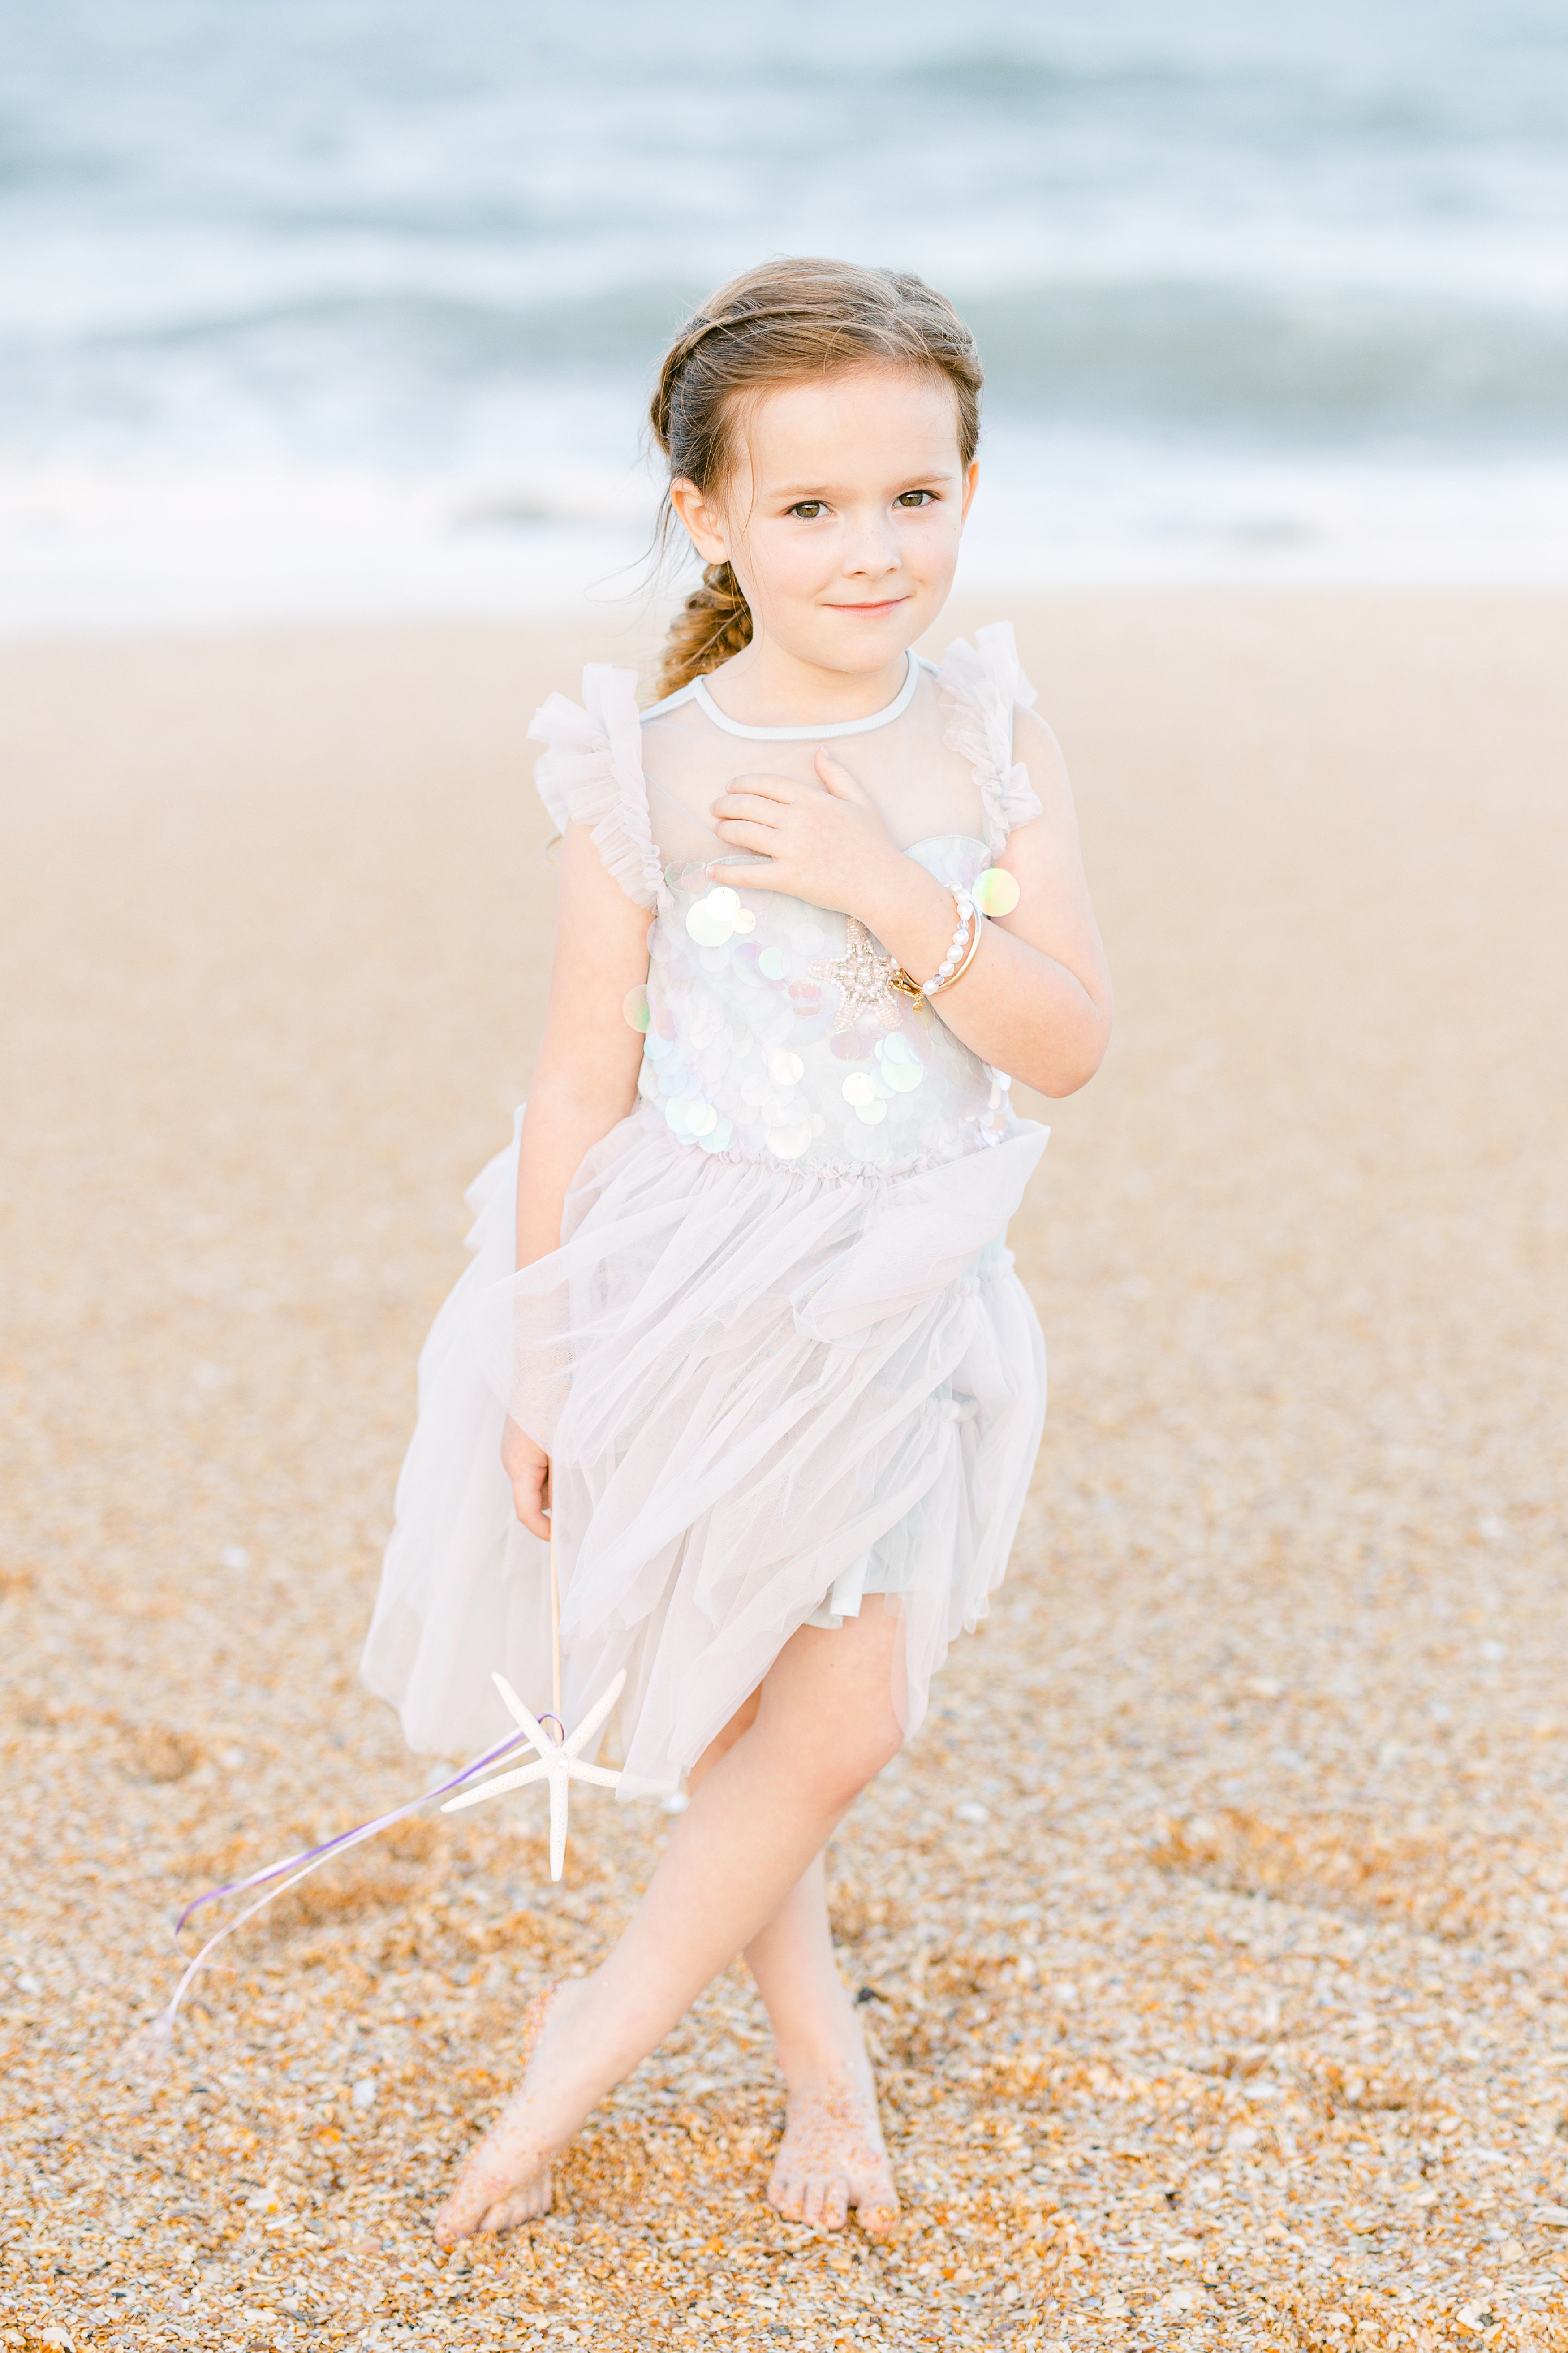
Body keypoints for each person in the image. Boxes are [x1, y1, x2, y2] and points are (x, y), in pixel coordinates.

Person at [361, 256, 1112, 2245]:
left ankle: (651, 2039)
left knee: (827, 1709)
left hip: (904, 1280)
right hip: (690, 1278)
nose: (869, 551)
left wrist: (885, 887)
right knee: (767, 1706)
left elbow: (1070, 1039)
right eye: (807, 507)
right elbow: (570, 1084)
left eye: (912, 497)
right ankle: (723, 2064)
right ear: (707, 516)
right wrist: (539, 1356)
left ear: (968, 484)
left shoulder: (993, 734)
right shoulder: (649, 769)